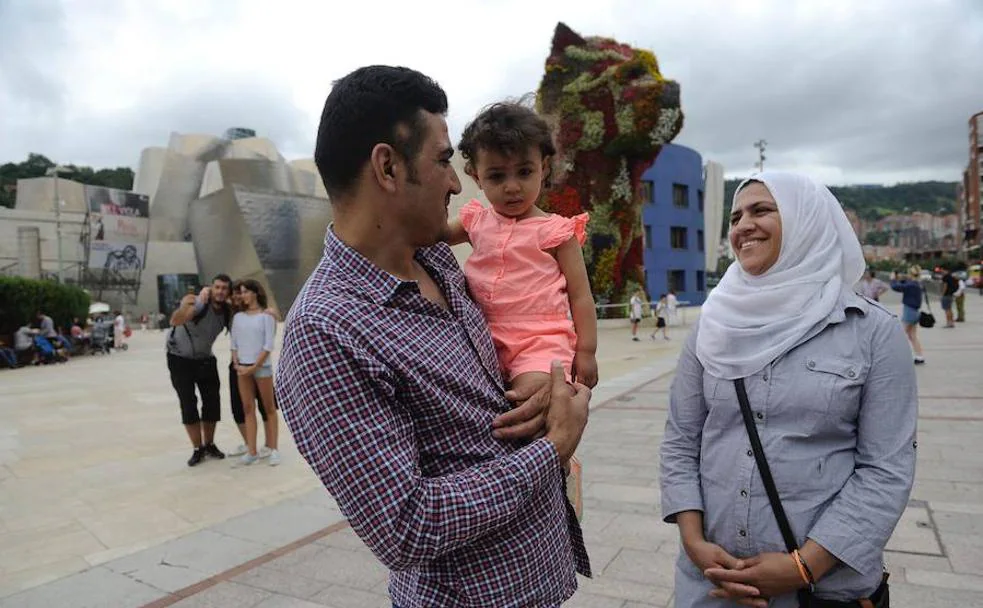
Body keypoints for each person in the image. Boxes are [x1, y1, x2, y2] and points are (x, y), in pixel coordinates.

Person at [276, 65, 592, 608]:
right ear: (388, 167)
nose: (455, 182)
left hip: (543, 578)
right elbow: (406, 527)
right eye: (445, 160)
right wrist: (553, 448)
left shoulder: (436, 259)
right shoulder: (326, 332)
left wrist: (559, 383)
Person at [661, 172, 914, 607]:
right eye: (736, 216)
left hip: (821, 589)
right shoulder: (713, 324)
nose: (742, 226)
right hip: (712, 583)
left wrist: (805, 566)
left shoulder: (873, 331)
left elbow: (885, 470)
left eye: (762, 210)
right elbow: (681, 440)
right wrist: (693, 541)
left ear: (806, 221)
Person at [445, 101, 598, 391]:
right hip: (479, 337)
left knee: (533, 396)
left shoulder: (557, 233)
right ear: (476, 176)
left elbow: (581, 297)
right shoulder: (474, 219)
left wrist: (587, 351)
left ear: (544, 168)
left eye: (524, 172)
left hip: (541, 341)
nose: (512, 187)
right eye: (497, 176)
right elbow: (432, 234)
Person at [167, 275, 233, 467]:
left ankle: (209, 443)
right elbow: (175, 320)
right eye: (217, 287)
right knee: (188, 403)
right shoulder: (198, 302)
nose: (220, 291)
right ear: (211, 288)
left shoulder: (227, 311)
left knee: (212, 402)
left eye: (224, 288)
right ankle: (198, 448)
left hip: (205, 358)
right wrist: (188, 305)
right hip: (179, 358)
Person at [230, 279, 280, 467]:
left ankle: (274, 449)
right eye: (241, 292)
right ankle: (252, 451)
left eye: (245, 292)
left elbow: (268, 345)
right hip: (243, 367)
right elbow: (234, 344)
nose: (242, 295)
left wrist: (254, 367)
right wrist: (237, 363)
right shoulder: (238, 317)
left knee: (269, 408)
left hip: (262, 368)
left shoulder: (266, 316)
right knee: (248, 409)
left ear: (255, 293)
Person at [891, 268, 927, 364]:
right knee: (912, 336)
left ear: (910, 274)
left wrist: (893, 279)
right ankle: (920, 356)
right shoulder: (917, 284)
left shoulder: (912, 285)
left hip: (909, 311)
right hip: (915, 311)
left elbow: (896, 287)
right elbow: (904, 283)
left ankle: (898, 356)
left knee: (901, 335)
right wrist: (901, 278)